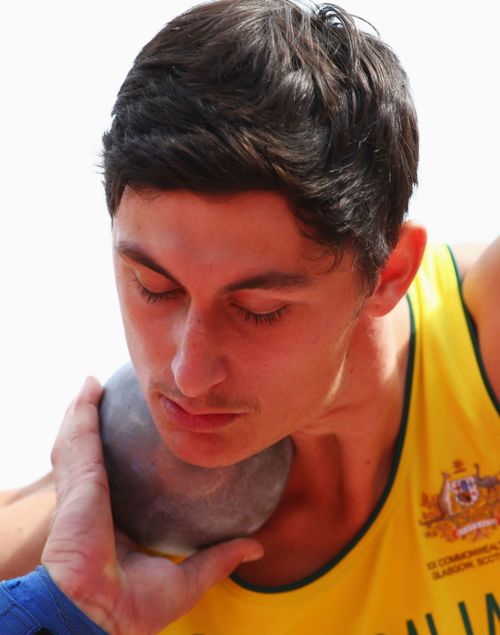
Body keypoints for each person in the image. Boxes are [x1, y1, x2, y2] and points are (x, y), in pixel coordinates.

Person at [0, 0, 499, 633]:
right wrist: (62, 613)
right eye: (154, 288)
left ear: (388, 274)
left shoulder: (484, 344)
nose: (189, 371)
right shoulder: (76, 546)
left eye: (259, 311)